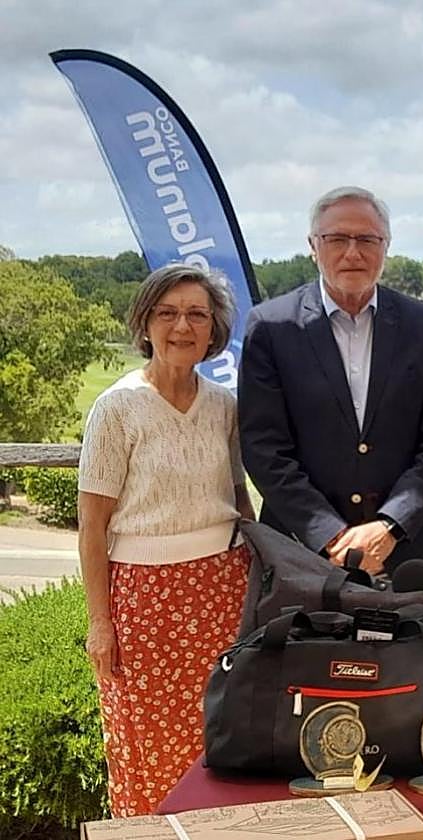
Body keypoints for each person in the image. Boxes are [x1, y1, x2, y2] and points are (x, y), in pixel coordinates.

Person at [78, 264, 255, 816]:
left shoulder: (224, 405)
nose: (183, 326)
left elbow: (237, 498)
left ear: (214, 329)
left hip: (221, 592)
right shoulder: (118, 408)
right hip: (145, 602)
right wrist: (100, 622)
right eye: (168, 313)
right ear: (146, 323)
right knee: (149, 746)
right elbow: (92, 526)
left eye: (197, 314)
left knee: (221, 742)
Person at [239, 186, 423, 575]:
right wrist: (329, 534)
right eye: (337, 239)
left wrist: (390, 525)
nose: (353, 252)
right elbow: (263, 448)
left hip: (407, 552)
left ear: (386, 246)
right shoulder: (272, 327)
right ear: (313, 245)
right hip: (303, 552)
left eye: (367, 239)